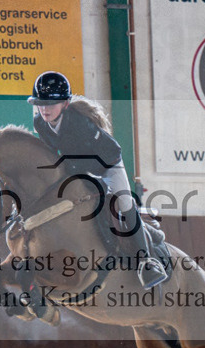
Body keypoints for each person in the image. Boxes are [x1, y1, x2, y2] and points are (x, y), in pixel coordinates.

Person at [27, 70, 168, 289]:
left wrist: (87, 176)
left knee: (124, 202)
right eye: (40, 103)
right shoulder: (40, 123)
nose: (44, 109)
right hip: (76, 169)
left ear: (65, 104)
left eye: (50, 104)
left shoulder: (79, 124)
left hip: (108, 165)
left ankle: (146, 261)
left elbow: (106, 154)